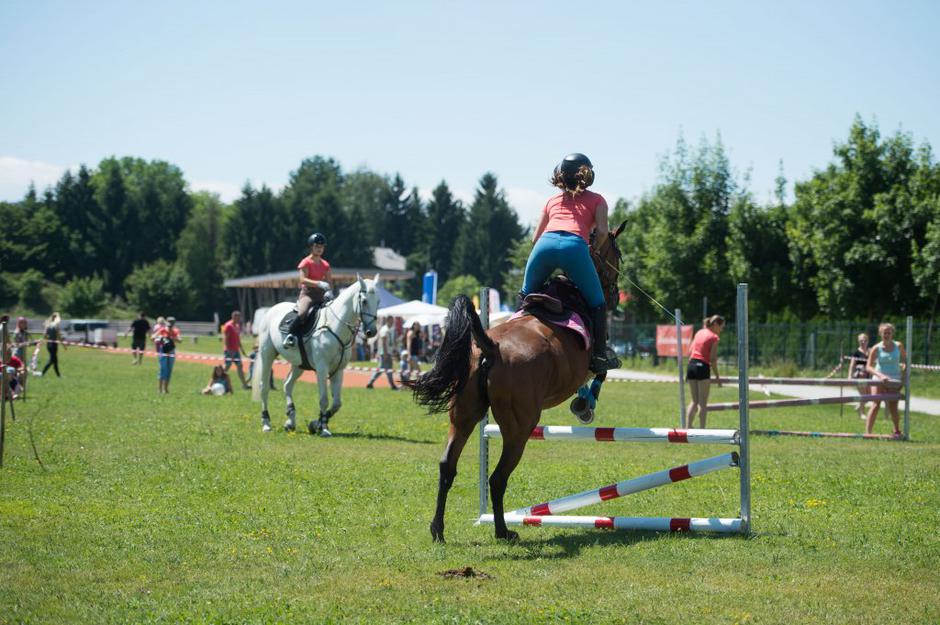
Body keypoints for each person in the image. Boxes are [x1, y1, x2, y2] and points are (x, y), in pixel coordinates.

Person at [520, 153, 620, 374]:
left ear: (561, 176)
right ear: (588, 174)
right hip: (575, 248)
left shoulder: (550, 200)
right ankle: (599, 355)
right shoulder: (598, 199)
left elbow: (534, 238)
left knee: (525, 294)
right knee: (597, 302)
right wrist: (591, 248)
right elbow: (603, 232)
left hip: (544, 246)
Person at [284, 232, 333, 347]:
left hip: (322, 295)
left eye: (321, 247)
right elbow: (302, 280)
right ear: (311, 247)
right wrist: (319, 283)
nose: (319, 249)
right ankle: (290, 335)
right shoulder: (306, 262)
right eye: (316, 246)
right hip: (308, 294)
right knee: (303, 313)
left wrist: (329, 291)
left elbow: (330, 281)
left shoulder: (326, 265)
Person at [865, 322, 906, 438]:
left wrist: (904, 371)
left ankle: (897, 431)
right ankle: (868, 433)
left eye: (889, 333)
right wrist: (880, 375)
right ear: (880, 334)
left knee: (893, 406)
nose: (886, 335)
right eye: (884, 333)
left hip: (895, 379)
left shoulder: (899, 346)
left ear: (892, 333)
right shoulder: (876, 348)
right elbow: (868, 366)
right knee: (875, 404)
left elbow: (905, 360)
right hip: (879, 379)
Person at [685, 315, 726, 429]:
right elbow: (712, 359)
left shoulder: (699, 332)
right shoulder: (714, 337)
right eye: (722, 327)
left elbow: (690, 350)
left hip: (691, 365)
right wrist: (718, 378)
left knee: (694, 401)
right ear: (715, 325)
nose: (722, 330)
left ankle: (688, 428)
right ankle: (702, 431)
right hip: (702, 367)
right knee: (702, 403)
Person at [366, 317, 400, 390]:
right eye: (391, 321)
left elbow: (393, 341)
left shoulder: (391, 329)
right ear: (387, 321)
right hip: (385, 352)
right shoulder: (384, 329)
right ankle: (391, 385)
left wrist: (394, 350)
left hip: (389, 352)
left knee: (385, 369)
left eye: (392, 321)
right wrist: (384, 353)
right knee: (383, 369)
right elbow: (383, 343)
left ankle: (371, 383)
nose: (392, 323)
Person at [221, 310, 251, 390]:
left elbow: (238, 339)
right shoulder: (228, 325)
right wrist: (228, 351)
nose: (239, 319)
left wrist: (242, 350)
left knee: (240, 366)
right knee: (227, 366)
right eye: (238, 317)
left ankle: (244, 385)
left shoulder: (237, 326)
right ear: (233, 316)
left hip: (236, 350)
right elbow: (226, 339)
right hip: (229, 350)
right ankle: (218, 380)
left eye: (239, 317)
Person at [154, 316, 181, 394]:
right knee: (162, 369)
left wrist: (173, 337)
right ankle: (159, 389)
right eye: (169, 323)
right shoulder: (162, 330)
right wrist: (160, 338)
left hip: (171, 351)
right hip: (163, 351)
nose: (170, 325)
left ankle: (165, 389)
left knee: (169, 370)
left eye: (172, 323)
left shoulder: (176, 330)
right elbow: (153, 337)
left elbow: (180, 340)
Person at [849, 332, 872, 419]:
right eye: (861, 340)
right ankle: (862, 413)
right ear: (858, 341)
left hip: (868, 377)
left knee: (869, 397)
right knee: (863, 395)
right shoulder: (856, 353)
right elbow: (852, 365)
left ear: (868, 341)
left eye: (865, 340)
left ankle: (858, 406)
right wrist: (849, 376)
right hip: (858, 376)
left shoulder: (870, 351)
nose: (863, 342)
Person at [40, 312, 64, 378]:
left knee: (55, 360)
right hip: (54, 345)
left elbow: (44, 335)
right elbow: (59, 336)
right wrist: (63, 345)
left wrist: (46, 339)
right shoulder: (56, 325)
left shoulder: (48, 324)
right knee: (52, 361)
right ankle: (42, 373)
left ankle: (58, 376)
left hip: (49, 345)